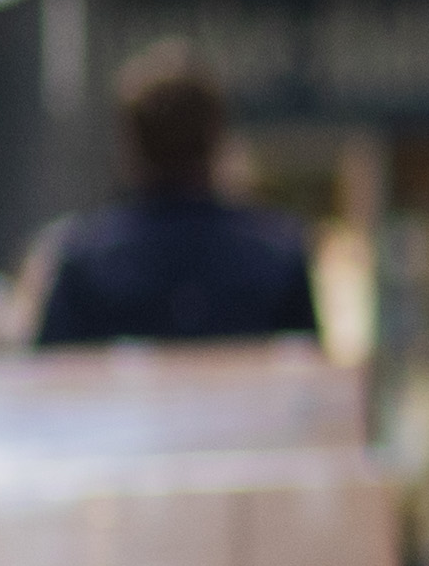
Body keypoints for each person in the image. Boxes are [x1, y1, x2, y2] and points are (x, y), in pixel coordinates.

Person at [35, 49, 319, 346]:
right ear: (216, 141)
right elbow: (308, 376)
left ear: (130, 150)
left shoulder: (82, 260)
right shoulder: (280, 255)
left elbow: (49, 379)